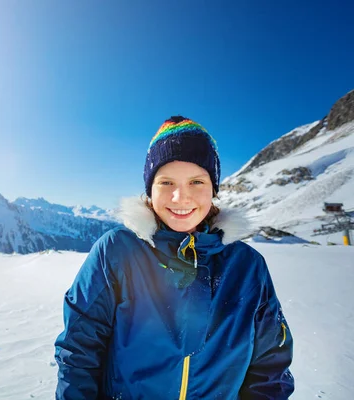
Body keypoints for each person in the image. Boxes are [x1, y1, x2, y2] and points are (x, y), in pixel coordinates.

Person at [54, 116, 294, 399]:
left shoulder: (248, 266)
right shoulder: (118, 250)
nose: (181, 197)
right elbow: (79, 351)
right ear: (150, 189)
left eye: (196, 182)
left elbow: (270, 367)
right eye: (166, 182)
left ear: (213, 188)